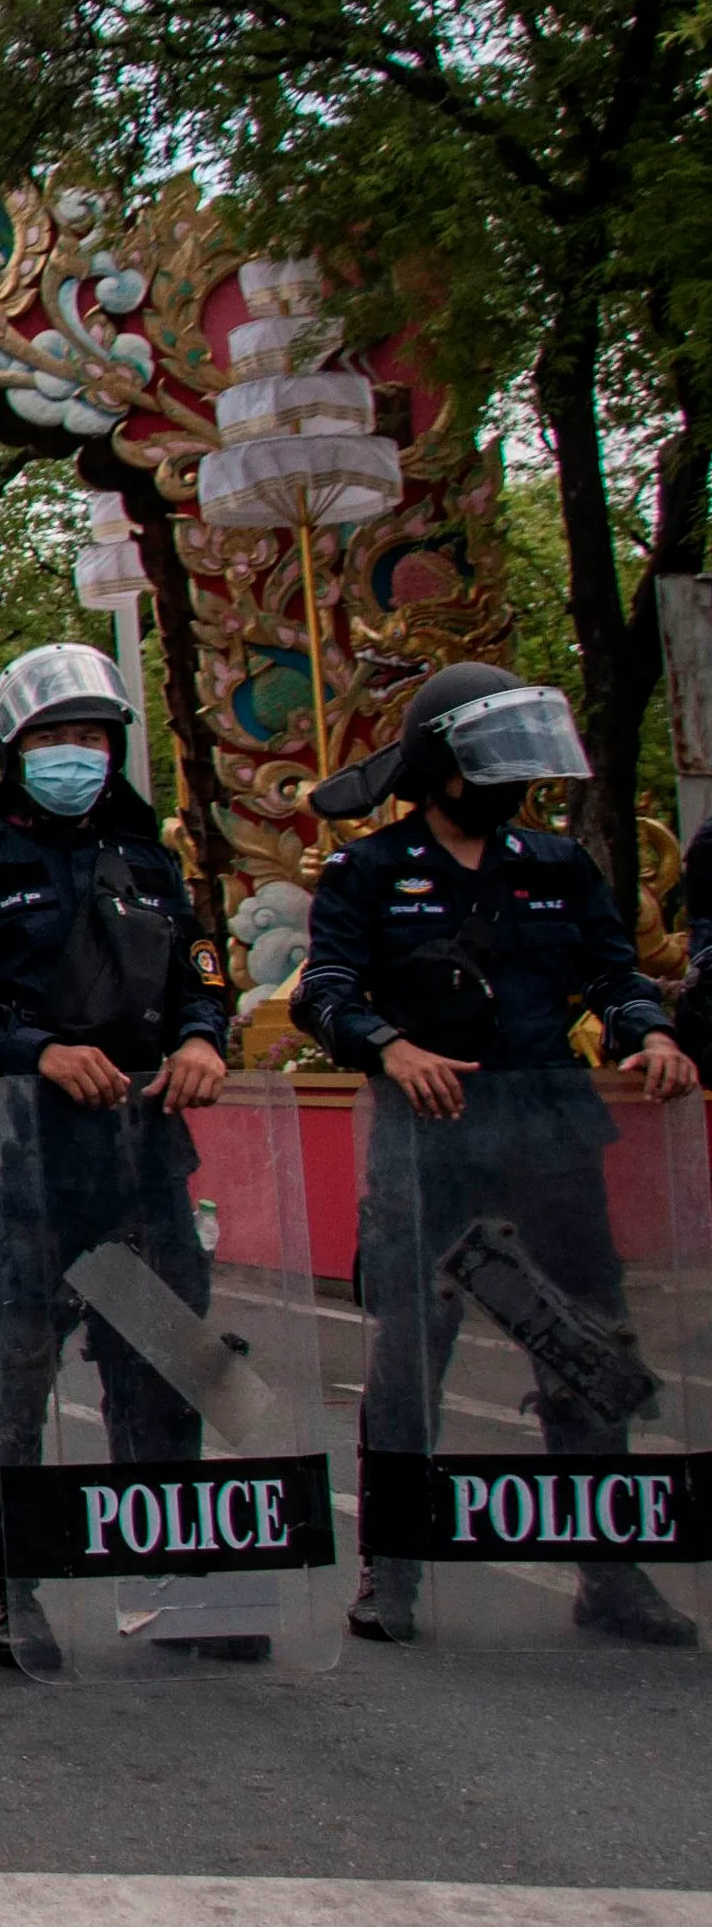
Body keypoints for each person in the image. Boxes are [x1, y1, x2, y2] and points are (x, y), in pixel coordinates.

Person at [297, 662, 701, 1648]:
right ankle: (389, 1572)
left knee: (587, 1341)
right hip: (423, 1142)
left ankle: (611, 1572)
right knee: (410, 1355)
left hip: (549, 1134)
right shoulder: (370, 872)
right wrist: (387, 1044)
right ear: (442, 768)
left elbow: (616, 972)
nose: (515, 779)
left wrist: (648, 1033)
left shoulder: (554, 865)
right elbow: (323, 993)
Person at [0, 643, 237, 1672]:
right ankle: (9, 1582)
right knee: (18, 1365)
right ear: (13, 749)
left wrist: (200, 1040)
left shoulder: (150, 862)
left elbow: (199, 980)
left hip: (141, 1145)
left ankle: (174, 1574)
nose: (74, 754)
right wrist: (35, 1053)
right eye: (52, 737)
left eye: (90, 736)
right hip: (22, 1152)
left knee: (164, 1360)